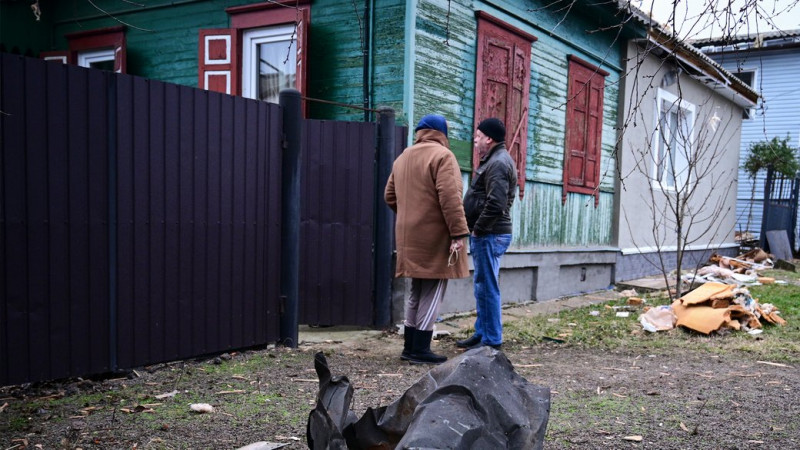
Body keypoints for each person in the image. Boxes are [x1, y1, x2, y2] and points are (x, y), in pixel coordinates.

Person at [384, 114, 470, 364]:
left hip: (408, 235)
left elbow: (390, 196)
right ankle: (420, 348)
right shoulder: (443, 156)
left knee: (417, 290)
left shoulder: (403, 157)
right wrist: (458, 233)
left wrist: (411, 215)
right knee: (433, 290)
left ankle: (409, 346)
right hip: (435, 233)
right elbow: (450, 197)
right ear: (443, 133)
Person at [457, 118, 517, 350]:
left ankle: (491, 339)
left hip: (490, 233)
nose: (475, 140)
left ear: (489, 138)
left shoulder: (499, 163)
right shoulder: (495, 160)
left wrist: (479, 229)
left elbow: (496, 203)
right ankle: (482, 333)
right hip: (488, 233)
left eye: (478, 136)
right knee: (482, 284)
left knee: (487, 285)